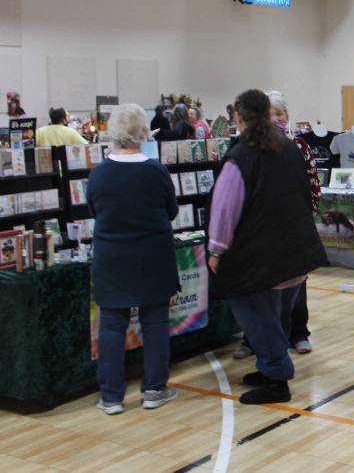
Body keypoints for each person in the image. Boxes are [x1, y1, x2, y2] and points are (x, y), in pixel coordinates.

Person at [208, 90, 326, 404]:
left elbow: (224, 209)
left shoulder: (241, 156)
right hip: (295, 249)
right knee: (276, 315)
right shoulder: (289, 148)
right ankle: (268, 366)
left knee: (258, 317)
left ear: (238, 117)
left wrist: (217, 250)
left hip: (261, 256)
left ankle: (276, 378)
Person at [87, 104, 179, 414]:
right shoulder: (156, 171)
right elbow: (171, 211)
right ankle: (154, 389)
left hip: (112, 258)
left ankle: (111, 396)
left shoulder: (99, 173)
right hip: (153, 256)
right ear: (143, 132)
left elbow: (94, 210)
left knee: (112, 326)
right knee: (155, 322)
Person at [233, 91, 320, 359]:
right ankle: (253, 341)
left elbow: (311, 185)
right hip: (264, 232)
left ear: (286, 115)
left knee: (295, 287)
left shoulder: (297, 146)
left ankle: (298, 333)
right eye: (270, 114)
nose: (275, 119)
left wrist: (306, 218)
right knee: (262, 292)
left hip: (293, 227)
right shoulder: (248, 148)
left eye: (279, 114)